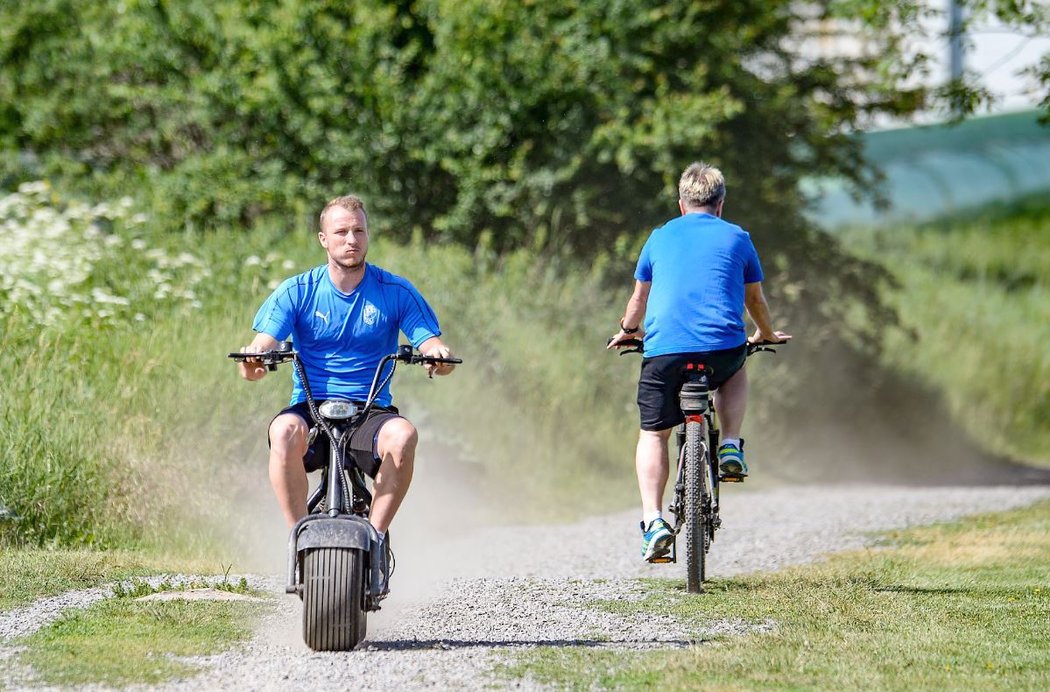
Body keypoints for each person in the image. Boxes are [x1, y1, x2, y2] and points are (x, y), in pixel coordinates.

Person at [236, 194, 456, 590]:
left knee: (404, 436)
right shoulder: (297, 291)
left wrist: (435, 355)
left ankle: (375, 538)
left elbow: (430, 343)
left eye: (359, 230)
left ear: (368, 235)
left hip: (371, 410)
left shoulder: (395, 290)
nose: (351, 239)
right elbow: (262, 344)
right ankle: (299, 539)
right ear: (324, 238)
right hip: (311, 409)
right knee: (282, 432)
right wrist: (254, 358)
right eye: (341, 232)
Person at [607, 162, 791, 562]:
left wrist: (627, 329)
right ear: (720, 204)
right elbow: (754, 300)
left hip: (665, 352)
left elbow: (638, 300)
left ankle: (653, 521)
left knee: (653, 435)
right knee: (737, 364)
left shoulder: (658, 237)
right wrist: (767, 334)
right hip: (721, 349)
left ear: (681, 203)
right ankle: (729, 444)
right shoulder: (738, 238)